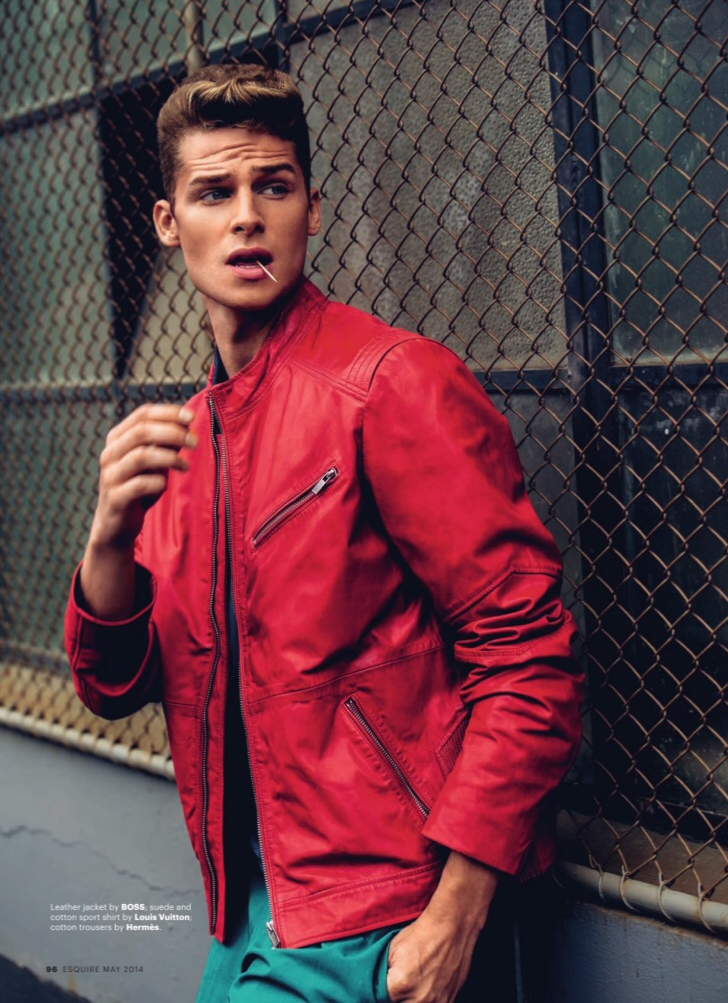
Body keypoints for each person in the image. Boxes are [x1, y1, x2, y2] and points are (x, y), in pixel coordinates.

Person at [65, 62, 583, 1002]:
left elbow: (529, 661)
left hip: (388, 918)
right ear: (169, 223)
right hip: (246, 919)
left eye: (274, 186)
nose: (247, 217)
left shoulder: (394, 383)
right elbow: (113, 685)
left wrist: (455, 916)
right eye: (214, 193)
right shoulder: (187, 440)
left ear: (312, 209)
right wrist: (108, 539)